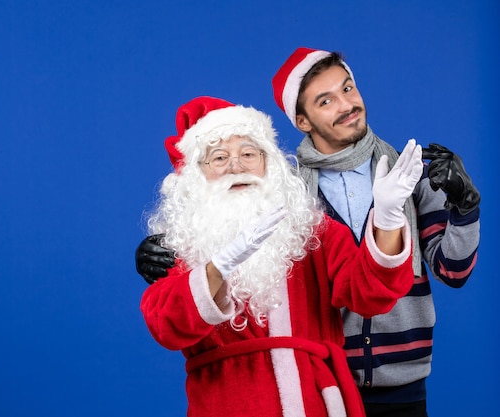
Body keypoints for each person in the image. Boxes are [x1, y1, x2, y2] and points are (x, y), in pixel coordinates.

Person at [135, 49, 481, 417]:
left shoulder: (321, 220)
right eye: (219, 158)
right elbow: (165, 324)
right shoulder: (194, 237)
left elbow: (380, 286)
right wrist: (211, 268)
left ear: (268, 162)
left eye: (249, 153)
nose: (236, 165)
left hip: (344, 392)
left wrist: (393, 215)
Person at [268, 47, 481, 417]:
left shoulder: (408, 174)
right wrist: (173, 256)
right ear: (302, 121)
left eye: (348, 89)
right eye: (326, 100)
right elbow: (243, 271)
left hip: (405, 389)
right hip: (321, 387)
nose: (347, 104)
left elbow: (454, 271)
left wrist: (465, 207)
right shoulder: (285, 192)